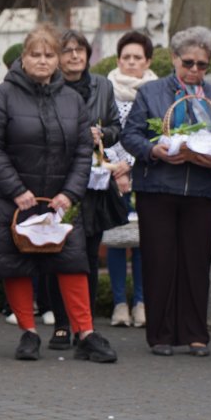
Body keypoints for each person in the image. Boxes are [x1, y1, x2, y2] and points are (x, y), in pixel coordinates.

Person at [0, 24, 118, 364]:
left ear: (57, 60)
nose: (42, 60)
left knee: (72, 263)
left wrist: (70, 193)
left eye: (49, 55)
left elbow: (84, 151)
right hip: (14, 199)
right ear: (23, 58)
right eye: (35, 54)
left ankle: (86, 332)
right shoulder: (1, 96)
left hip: (59, 201)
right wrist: (17, 190)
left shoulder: (72, 99)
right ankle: (28, 332)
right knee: (18, 264)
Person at [122, 26, 211, 357]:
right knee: (159, 261)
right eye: (188, 62)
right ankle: (160, 334)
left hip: (201, 191)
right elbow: (131, 136)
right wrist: (152, 151)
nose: (195, 70)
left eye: (203, 65)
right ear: (174, 58)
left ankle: (195, 333)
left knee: (196, 262)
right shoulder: (151, 93)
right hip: (157, 188)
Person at [55, 29, 121, 345]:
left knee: (89, 255)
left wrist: (102, 134)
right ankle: (60, 323)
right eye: (67, 50)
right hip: (57, 180)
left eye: (80, 50)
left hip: (94, 182)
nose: (74, 56)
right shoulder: (49, 87)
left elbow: (117, 128)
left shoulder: (103, 86)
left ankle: (87, 325)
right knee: (57, 252)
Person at [103, 30, 158, 329]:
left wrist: (131, 166)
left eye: (138, 57)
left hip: (146, 174)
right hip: (111, 176)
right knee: (114, 240)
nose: (131, 62)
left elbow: (156, 133)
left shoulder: (156, 91)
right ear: (118, 59)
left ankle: (141, 303)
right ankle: (119, 304)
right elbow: (102, 130)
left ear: (147, 61)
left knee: (141, 242)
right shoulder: (105, 89)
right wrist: (116, 168)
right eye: (126, 57)